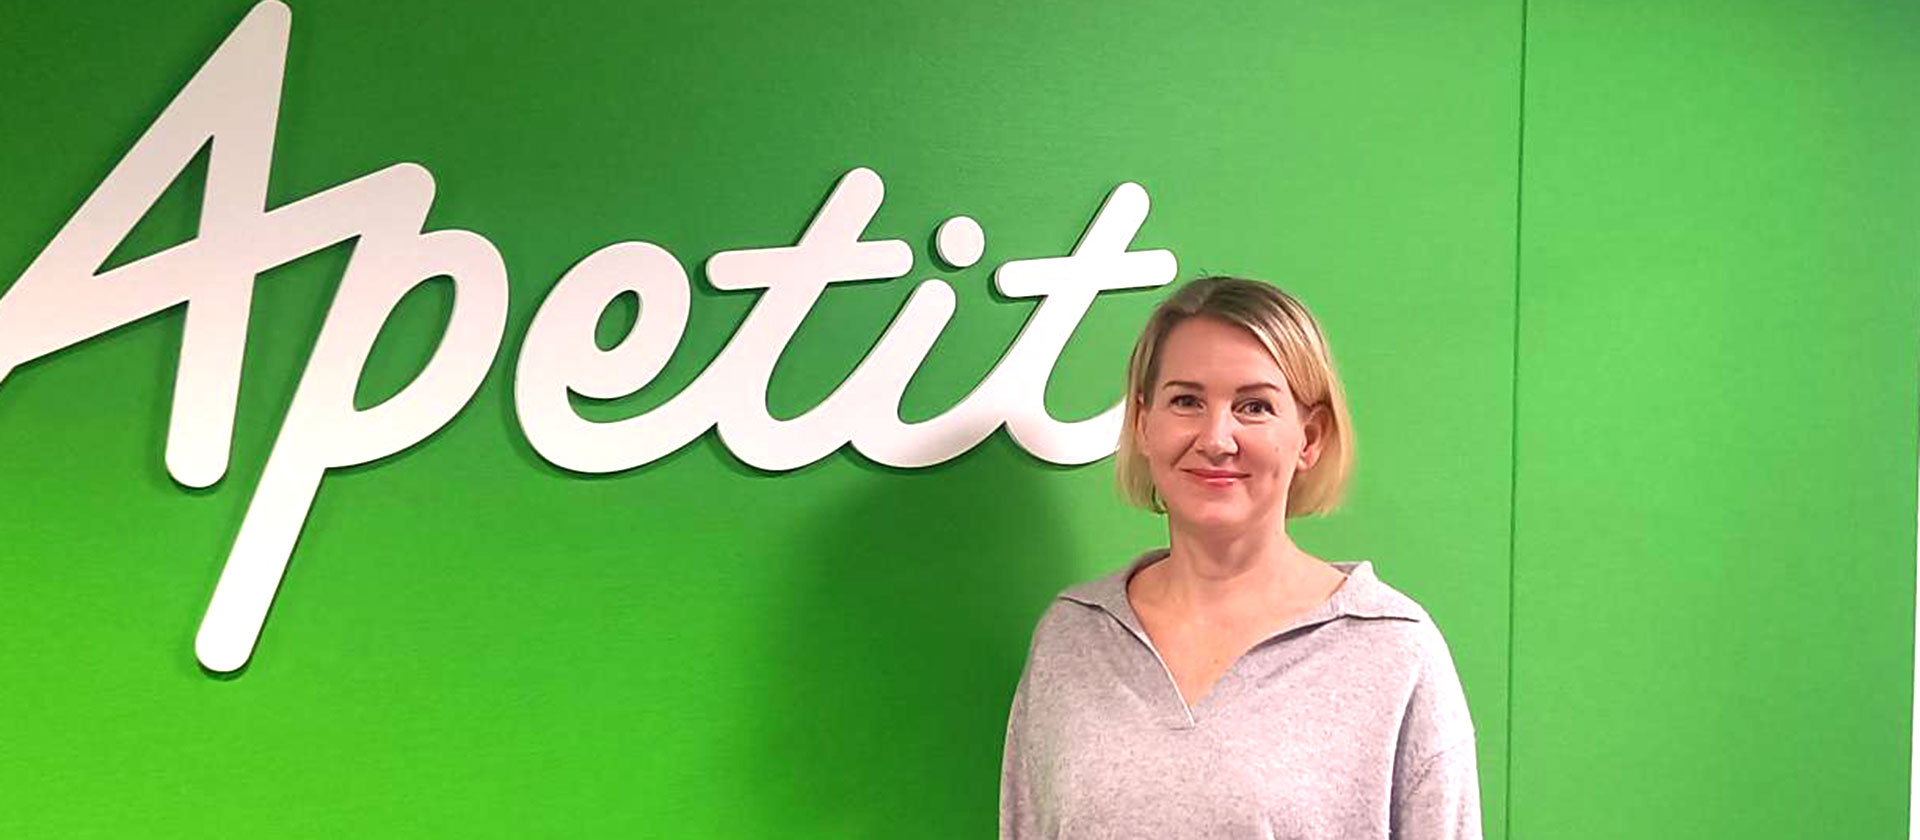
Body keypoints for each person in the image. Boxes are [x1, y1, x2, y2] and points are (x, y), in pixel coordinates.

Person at [999, 276, 1481, 839]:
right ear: (1143, 424)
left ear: (1310, 437)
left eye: (1254, 406)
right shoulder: (1073, 636)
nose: (1216, 438)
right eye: (1187, 401)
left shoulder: (1393, 651)